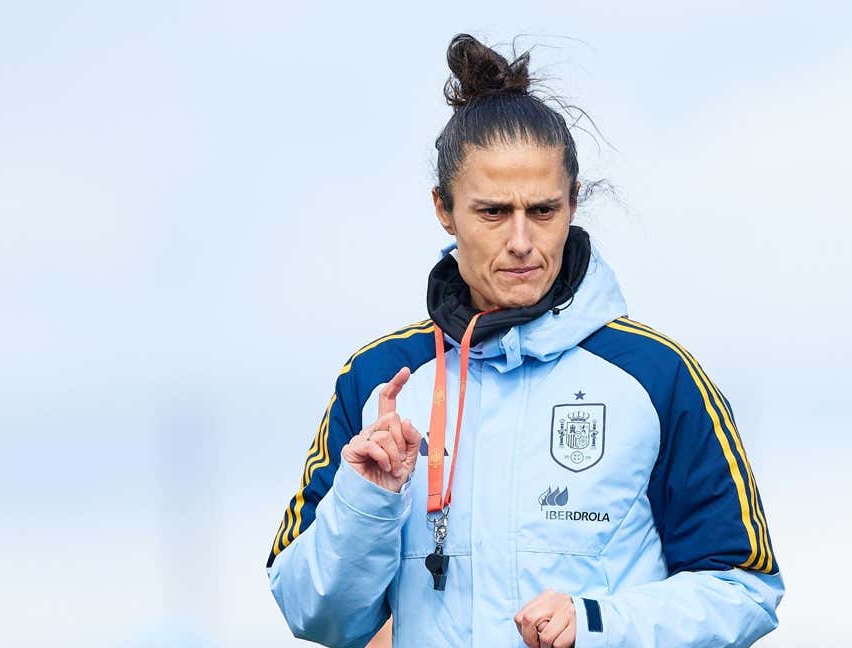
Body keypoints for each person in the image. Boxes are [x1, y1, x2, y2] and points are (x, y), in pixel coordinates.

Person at [266, 33, 783, 647]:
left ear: (573, 203)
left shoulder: (658, 375)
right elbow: (315, 617)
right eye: (491, 212)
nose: (520, 240)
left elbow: (745, 589)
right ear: (443, 209)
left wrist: (598, 626)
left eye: (542, 210)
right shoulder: (379, 379)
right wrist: (367, 501)